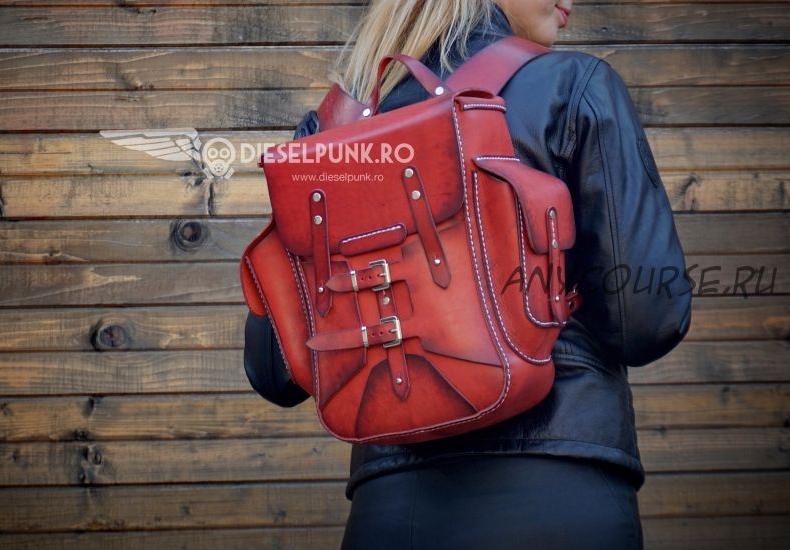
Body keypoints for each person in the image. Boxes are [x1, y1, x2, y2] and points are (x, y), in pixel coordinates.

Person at [243, 0, 693, 548]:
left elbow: (274, 371)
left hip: (390, 507)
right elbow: (647, 320)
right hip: (560, 490)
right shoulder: (576, 85)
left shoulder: (329, 127)